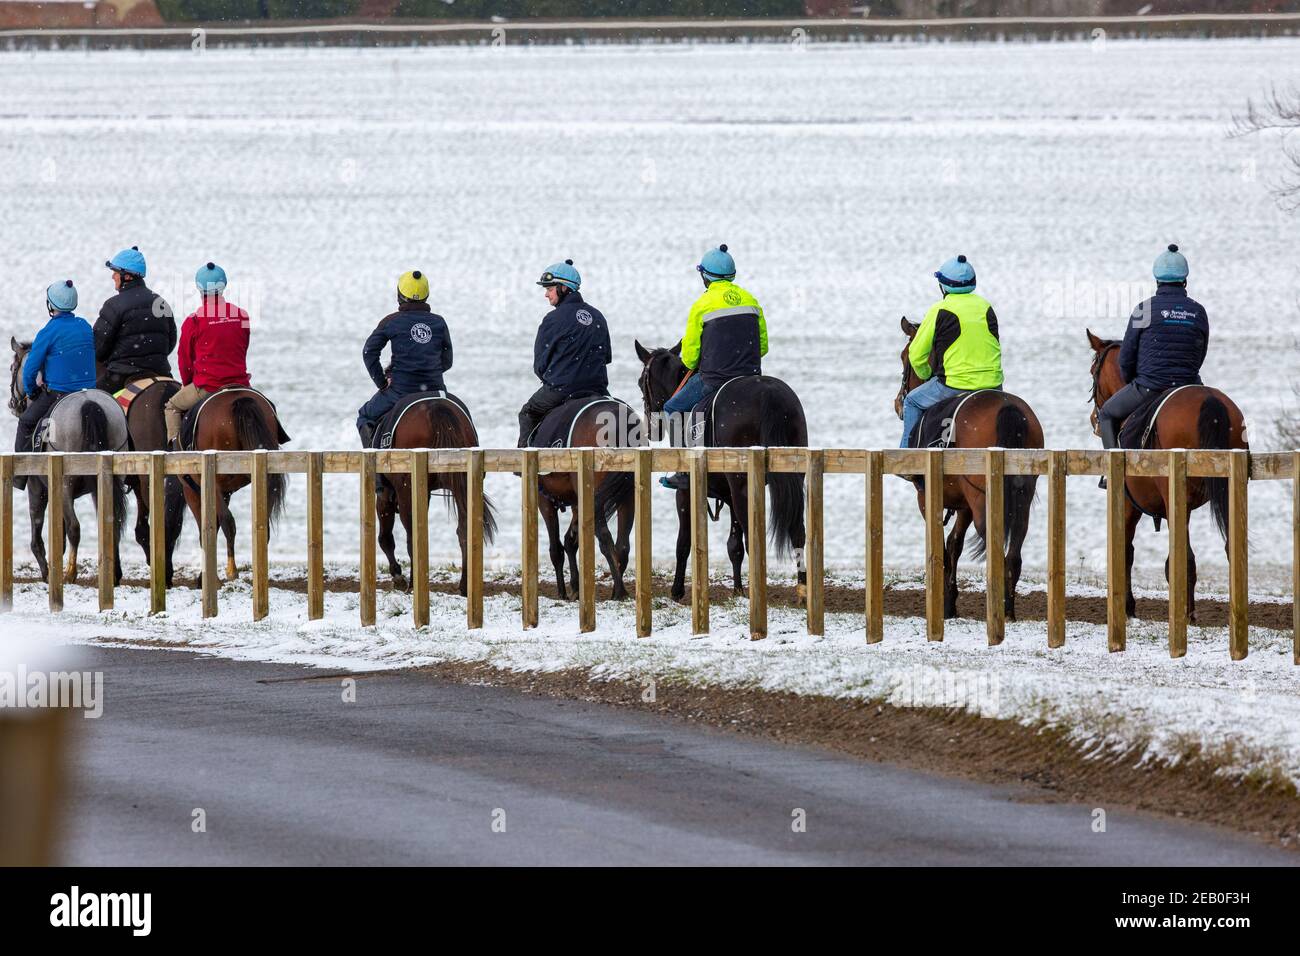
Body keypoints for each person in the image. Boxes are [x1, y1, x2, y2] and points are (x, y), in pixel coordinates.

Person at [660, 244, 767, 490]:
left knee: (672, 407)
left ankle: (683, 470)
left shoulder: (702, 304)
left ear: (705, 276)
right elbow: (762, 346)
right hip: (750, 378)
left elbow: (689, 357)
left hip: (715, 379)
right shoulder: (751, 299)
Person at [1097, 244, 1209, 451]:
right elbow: (1200, 355)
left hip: (1150, 386)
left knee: (1105, 414)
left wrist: (1134, 382)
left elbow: (1127, 357)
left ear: (1157, 280)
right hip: (1189, 385)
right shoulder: (1198, 311)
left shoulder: (1143, 309)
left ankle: (1112, 473)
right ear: (1184, 280)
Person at [899, 254, 1003, 449]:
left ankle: (907, 458)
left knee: (912, 401)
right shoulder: (986, 307)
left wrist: (926, 374)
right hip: (994, 385)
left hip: (956, 384)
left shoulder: (939, 309)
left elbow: (916, 354)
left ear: (943, 286)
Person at [517, 260, 611, 447]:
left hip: (562, 390)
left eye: (549, 289)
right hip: (598, 389)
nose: (546, 294)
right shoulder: (598, 316)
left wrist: (559, 378)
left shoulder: (553, 319)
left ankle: (525, 466)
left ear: (563, 288)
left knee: (527, 413)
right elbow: (606, 357)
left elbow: (540, 365)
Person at [13, 280, 96, 490]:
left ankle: (21, 475)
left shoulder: (48, 331)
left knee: (25, 422)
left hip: (60, 394)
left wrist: (32, 391)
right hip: (91, 393)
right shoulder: (85, 327)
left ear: (51, 305)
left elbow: (30, 370)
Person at [356, 270, 453, 448]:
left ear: (400, 295)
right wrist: (428, 372)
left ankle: (372, 468)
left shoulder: (391, 321)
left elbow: (369, 352)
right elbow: (447, 360)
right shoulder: (439, 322)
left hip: (401, 391)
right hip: (436, 389)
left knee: (365, 416)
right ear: (426, 295)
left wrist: (382, 382)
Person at [165, 262, 251, 447]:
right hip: (240, 384)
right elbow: (242, 348)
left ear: (199, 288)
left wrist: (188, 383)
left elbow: (185, 359)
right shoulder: (242, 316)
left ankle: (176, 453)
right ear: (223, 286)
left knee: (172, 406)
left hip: (209, 385)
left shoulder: (194, 321)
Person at [94, 246, 176, 393]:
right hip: (160, 372)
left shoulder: (113, 305)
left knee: (89, 402)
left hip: (121, 375)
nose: (113, 276)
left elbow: (98, 348)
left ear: (127, 276)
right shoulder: (161, 302)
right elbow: (170, 342)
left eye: (115, 272)